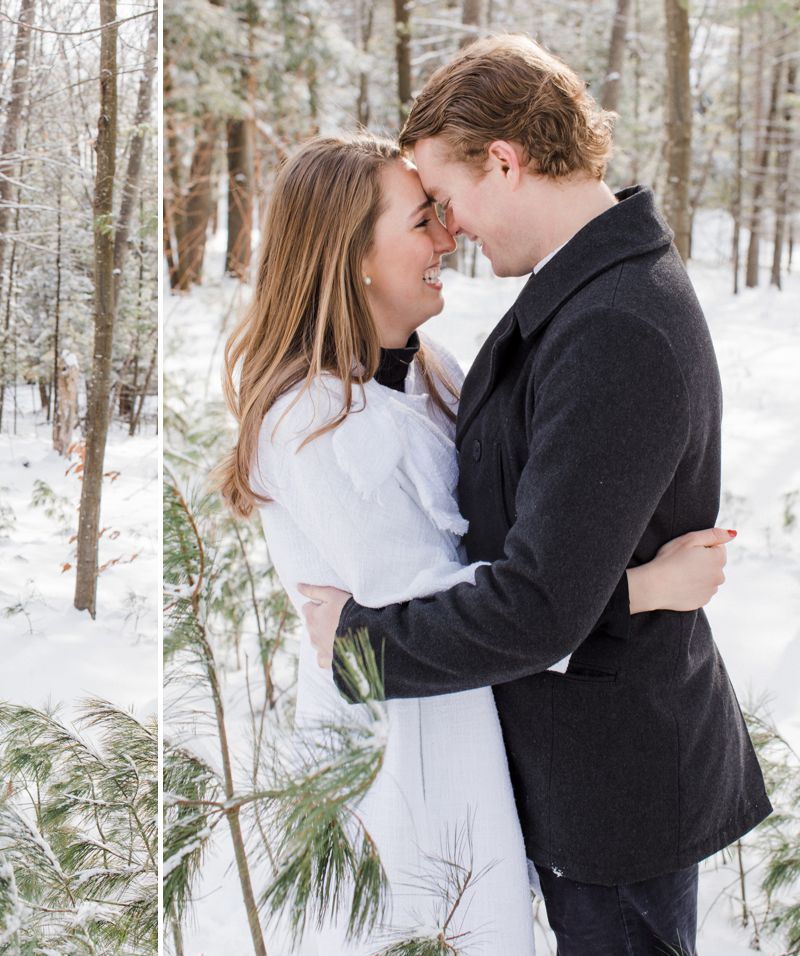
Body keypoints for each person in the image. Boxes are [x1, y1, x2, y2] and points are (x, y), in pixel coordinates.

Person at [298, 36, 770, 955]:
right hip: (577, 774)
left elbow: (540, 606)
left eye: (449, 196)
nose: (451, 226)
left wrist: (360, 653)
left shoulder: (614, 326)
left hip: (612, 799)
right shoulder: (585, 291)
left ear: (504, 162)